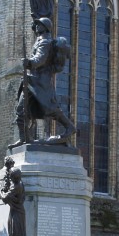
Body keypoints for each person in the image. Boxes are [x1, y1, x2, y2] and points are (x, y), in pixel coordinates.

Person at [9, 18, 75, 148]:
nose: (36, 26)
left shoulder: (45, 42)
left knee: (50, 109)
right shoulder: (41, 40)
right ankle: (24, 138)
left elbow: (40, 59)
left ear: (45, 27)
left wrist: (29, 62)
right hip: (32, 81)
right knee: (21, 111)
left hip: (39, 81)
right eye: (37, 24)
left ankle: (69, 127)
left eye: (39, 24)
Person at [1, 168, 29, 236]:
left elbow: (4, 198)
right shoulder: (19, 183)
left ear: (14, 178)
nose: (11, 178)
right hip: (16, 211)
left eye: (12, 177)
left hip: (17, 212)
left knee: (15, 235)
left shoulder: (16, 187)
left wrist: (1, 191)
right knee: (13, 235)